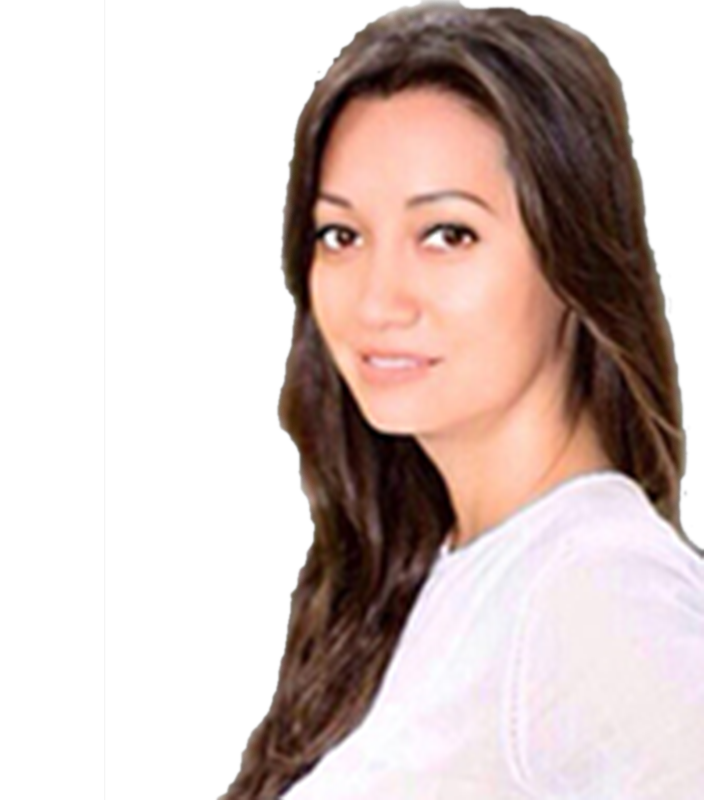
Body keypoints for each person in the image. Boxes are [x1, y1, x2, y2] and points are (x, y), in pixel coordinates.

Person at [217, 2, 704, 798]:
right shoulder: (433, 578)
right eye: (341, 235)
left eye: (448, 234)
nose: (378, 300)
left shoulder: (598, 591)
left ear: (571, 253)